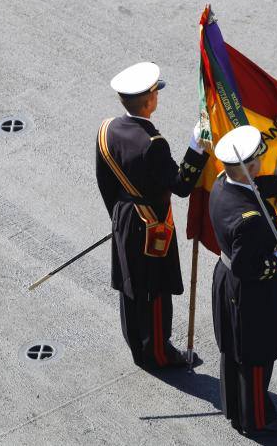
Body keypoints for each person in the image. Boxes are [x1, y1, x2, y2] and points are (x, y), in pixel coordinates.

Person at [96, 61, 209, 369]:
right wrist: (195, 148)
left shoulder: (107, 128)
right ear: (149, 101)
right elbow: (182, 185)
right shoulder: (153, 144)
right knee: (155, 290)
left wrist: (120, 220)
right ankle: (158, 353)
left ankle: (136, 343)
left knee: (130, 285)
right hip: (150, 225)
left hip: (124, 216)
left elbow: (105, 182)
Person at [208, 125, 277, 437]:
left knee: (233, 349)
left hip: (224, 279)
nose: (261, 167)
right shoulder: (250, 221)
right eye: (257, 163)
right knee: (256, 355)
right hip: (249, 290)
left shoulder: (222, 184)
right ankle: (256, 420)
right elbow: (248, 267)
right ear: (250, 166)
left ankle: (235, 407)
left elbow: (257, 187)